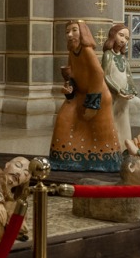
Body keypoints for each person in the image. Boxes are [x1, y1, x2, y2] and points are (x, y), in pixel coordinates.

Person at [49, 20, 122, 172]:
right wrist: (70, 88)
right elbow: (72, 73)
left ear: (83, 33)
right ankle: (64, 158)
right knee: (64, 118)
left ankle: (104, 162)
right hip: (80, 94)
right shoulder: (72, 51)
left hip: (97, 95)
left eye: (74, 30)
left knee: (100, 133)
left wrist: (92, 104)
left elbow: (98, 74)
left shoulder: (86, 50)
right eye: (67, 32)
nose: (70, 35)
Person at [101, 23, 139, 145]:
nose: (123, 40)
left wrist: (132, 88)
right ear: (113, 35)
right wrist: (117, 90)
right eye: (121, 35)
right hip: (112, 95)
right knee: (112, 119)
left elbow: (128, 75)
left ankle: (124, 146)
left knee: (124, 120)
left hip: (124, 96)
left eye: (126, 38)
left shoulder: (123, 58)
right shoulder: (108, 55)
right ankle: (111, 145)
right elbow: (106, 75)